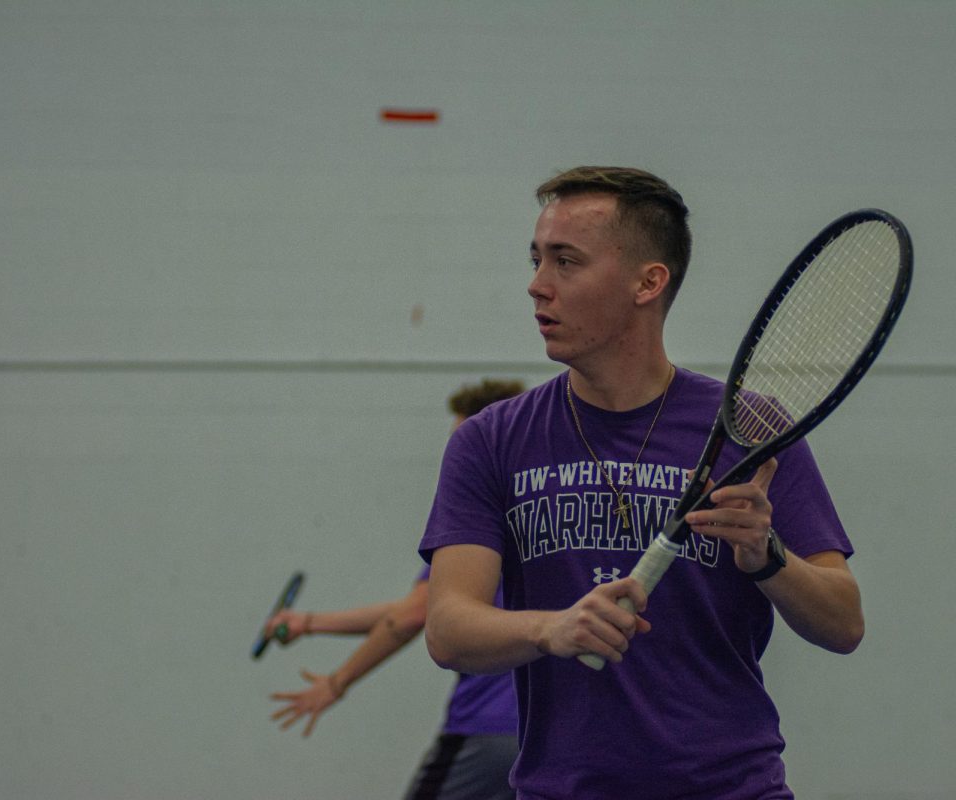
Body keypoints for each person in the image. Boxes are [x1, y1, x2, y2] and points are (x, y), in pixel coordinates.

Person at [419, 167, 864, 799]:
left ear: (647, 282)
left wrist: (769, 557)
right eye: (537, 259)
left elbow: (843, 623)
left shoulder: (752, 428)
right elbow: (449, 628)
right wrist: (551, 629)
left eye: (566, 262)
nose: (536, 286)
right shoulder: (490, 440)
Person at [267, 379, 525, 800]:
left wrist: (337, 682)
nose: (456, 457)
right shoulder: (542, 513)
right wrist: (309, 623)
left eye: (463, 442)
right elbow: (416, 606)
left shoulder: (482, 520)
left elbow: (412, 615)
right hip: (551, 737)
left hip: (488, 731)